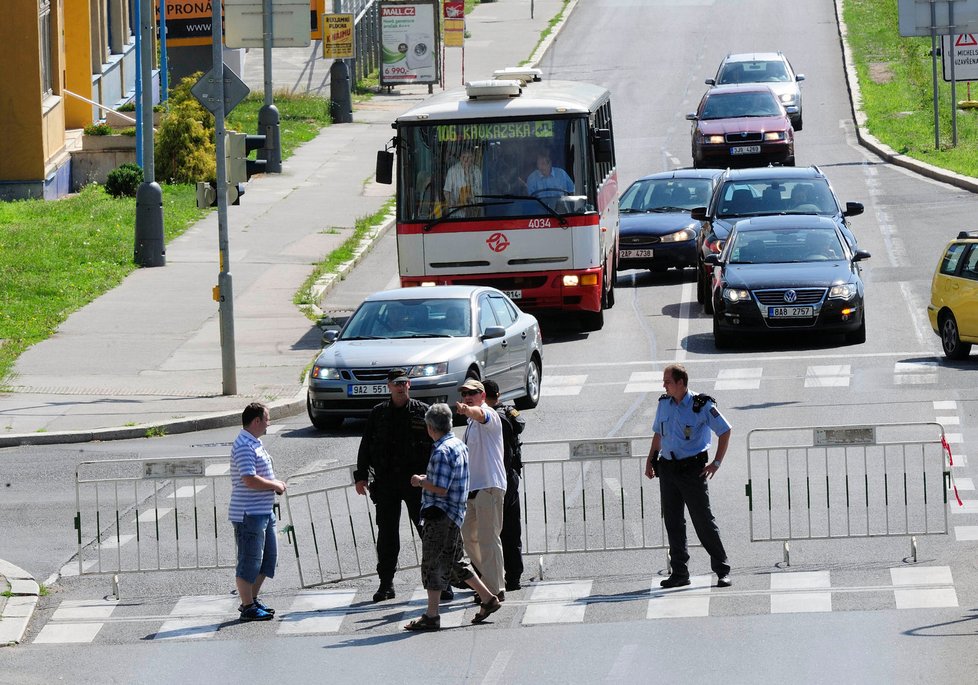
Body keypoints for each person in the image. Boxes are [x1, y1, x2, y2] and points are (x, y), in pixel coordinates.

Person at [403, 404, 503, 631]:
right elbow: (448, 478)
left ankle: (431, 615)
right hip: (455, 512)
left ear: (430, 427)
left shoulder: (440, 451)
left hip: (440, 513)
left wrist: (419, 481)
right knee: (456, 561)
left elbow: (440, 487)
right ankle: (488, 598)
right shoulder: (458, 444)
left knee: (432, 564)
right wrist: (427, 478)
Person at [354, 368, 444, 602]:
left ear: (409, 385)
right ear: (389, 386)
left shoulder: (423, 412)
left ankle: (441, 583)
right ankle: (386, 584)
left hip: (417, 483)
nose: (400, 386)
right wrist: (361, 475)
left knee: (428, 533)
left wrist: (434, 478)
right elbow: (366, 445)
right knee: (387, 535)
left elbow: (438, 445)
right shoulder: (379, 413)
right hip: (386, 483)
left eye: (404, 383)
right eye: (396, 383)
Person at [644, 364, 732, 589]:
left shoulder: (701, 405)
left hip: (692, 470)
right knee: (673, 522)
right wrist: (650, 460)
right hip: (668, 469)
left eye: (668, 381)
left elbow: (725, 430)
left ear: (681, 383)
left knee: (703, 521)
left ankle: (722, 570)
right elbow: (658, 433)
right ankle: (680, 573)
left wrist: (717, 463)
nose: (664, 385)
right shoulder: (664, 404)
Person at [229, 402, 287, 622]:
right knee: (249, 560)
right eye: (267, 419)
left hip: (263, 511)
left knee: (268, 559)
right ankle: (247, 605)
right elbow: (249, 479)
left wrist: (274, 483)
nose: (268, 423)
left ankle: (252, 599)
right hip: (248, 513)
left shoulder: (255, 443)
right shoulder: (245, 445)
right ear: (256, 421)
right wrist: (274, 485)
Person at [456, 378, 507, 601]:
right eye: (464, 393)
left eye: (473, 393)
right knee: (469, 539)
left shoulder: (489, 415)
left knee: (489, 538)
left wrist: (469, 410)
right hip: (472, 489)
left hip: (489, 486)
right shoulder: (470, 423)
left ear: (483, 396)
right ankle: (491, 580)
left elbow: (480, 414)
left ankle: (496, 589)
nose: (467, 396)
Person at [482, 379, 526, 592]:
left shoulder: (487, 419)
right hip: (510, 478)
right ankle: (514, 578)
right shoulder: (509, 413)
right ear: (498, 395)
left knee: (491, 534)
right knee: (511, 531)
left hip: (493, 482)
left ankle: (493, 580)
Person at [443, 149, 483, 217]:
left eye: (469, 157)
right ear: (460, 158)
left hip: (474, 212)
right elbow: (446, 192)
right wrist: (454, 205)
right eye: (464, 157)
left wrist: (478, 207)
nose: (466, 159)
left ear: (472, 158)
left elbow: (481, 189)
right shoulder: (452, 171)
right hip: (457, 213)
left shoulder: (477, 171)